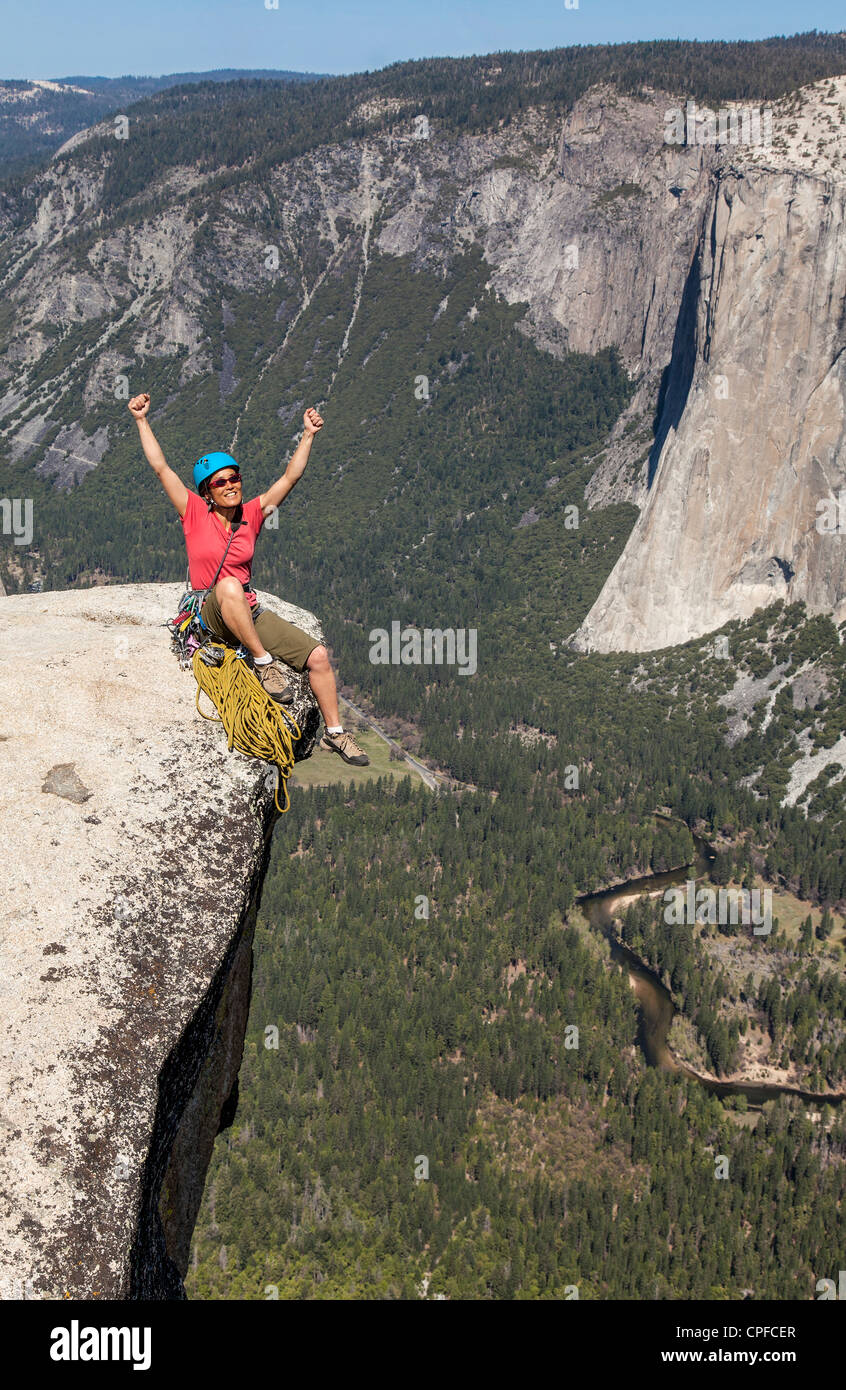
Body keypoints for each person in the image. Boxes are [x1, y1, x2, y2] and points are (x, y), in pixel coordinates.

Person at [128, 392, 368, 766]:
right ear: (206, 491)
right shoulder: (192, 512)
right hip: (209, 614)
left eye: (235, 478)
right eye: (220, 482)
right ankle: (263, 662)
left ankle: (336, 735)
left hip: (246, 612)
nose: (230, 485)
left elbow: (291, 477)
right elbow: (162, 468)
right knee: (227, 585)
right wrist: (142, 420)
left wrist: (308, 434)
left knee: (318, 656)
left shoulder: (253, 515)